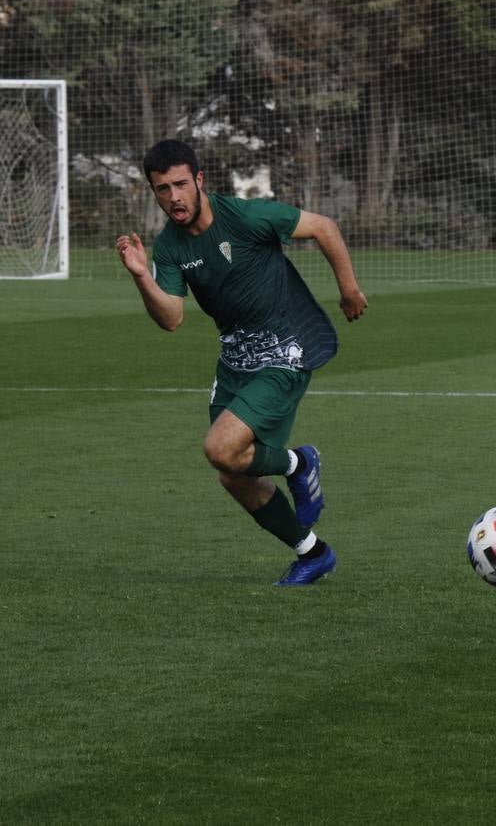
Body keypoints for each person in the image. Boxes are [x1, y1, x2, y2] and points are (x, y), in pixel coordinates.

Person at [115, 139, 367, 585]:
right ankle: (312, 554)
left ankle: (298, 464)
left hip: (285, 349)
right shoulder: (169, 246)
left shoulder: (246, 217)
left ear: (199, 181)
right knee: (233, 473)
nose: (173, 197)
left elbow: (325, 227)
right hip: (235, 359)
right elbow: (171, 318)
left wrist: (348, 291)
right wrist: (140, 277)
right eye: (161, 189)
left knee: (219, 448)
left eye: (179, 185)